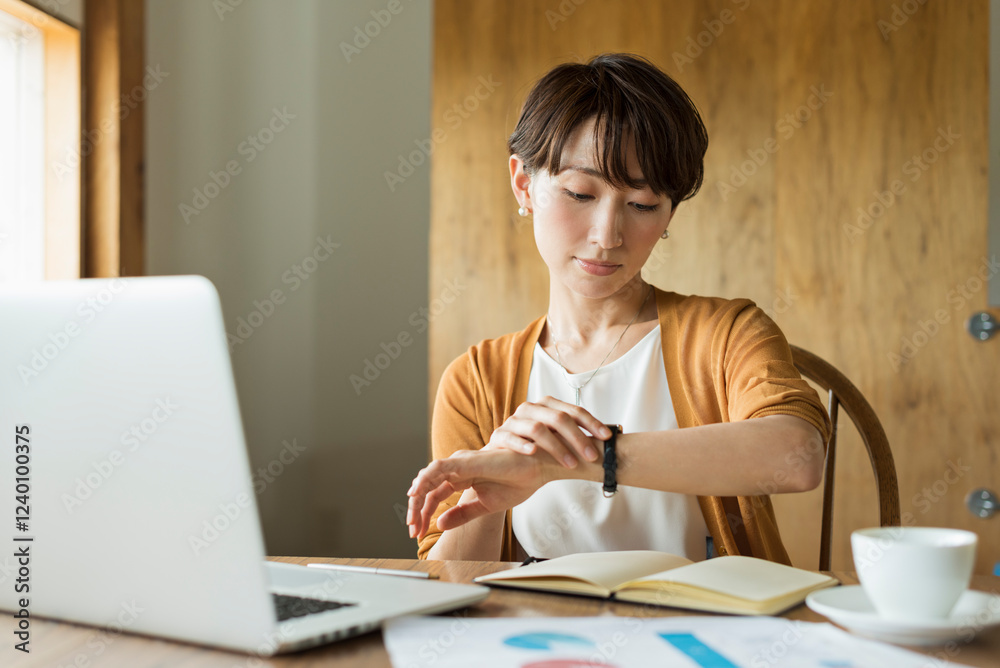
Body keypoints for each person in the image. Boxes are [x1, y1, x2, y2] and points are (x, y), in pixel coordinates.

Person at [406, 53, 832, 565]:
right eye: (580, 193)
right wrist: (496, 485)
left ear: (670, 211)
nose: (607, 236)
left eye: (643, 205)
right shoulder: (477, 379)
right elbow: (446, 579)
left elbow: (798, 456)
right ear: (524, 185)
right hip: (539, 635)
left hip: (704, 630)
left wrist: (578, 462)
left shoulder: (726, 334)